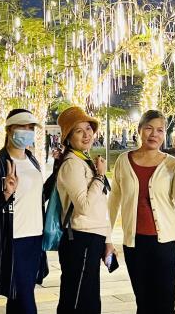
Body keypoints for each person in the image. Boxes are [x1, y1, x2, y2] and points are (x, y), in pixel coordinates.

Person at [108, 110, 175, 314]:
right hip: (134, 243)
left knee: (165, 305)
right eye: (149, 128)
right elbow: (113, 200)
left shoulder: (171, 164)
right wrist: (106, 237)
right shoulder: (123, 161)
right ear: (139, 130)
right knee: (143, 303)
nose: (154, 134)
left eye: (160, 130)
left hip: (165, 243)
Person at [0, 109, 49, 314]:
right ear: (9, 130)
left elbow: (38, 196)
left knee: (19, 297)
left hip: (35, 238)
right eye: (22, 127)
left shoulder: (32, 160)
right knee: (26, 300)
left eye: (31, 127)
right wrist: (5, 195)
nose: (27, 131)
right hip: (13, 240)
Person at [54, 106, 114, 314]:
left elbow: (100, 206)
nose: (87, 134)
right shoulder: (72, 164)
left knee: (89, 299)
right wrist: (99, 176)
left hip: (92, 237)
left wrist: (107, 239)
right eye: (79, 131)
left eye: (88, 128)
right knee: (77, 301)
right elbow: (84, 206)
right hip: (80, 239)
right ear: (68, 137)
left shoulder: (83, 160)